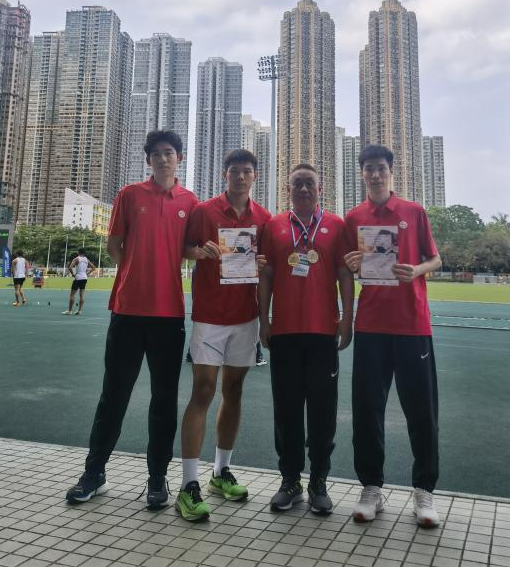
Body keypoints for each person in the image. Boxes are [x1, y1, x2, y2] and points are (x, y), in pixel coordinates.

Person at [65, 129, 198, 510]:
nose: (163, 158)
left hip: (168, 315)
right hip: (127, 311)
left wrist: (204, 252)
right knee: (114, 395)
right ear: (148, 160)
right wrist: (136, 272)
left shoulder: (190, 202)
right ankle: (94, 473)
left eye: (169, 152)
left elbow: (189, 248)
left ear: (179, 158)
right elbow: (113, 245)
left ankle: (157, 479)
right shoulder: (129, 194)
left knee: (164, 400)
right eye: (156, 153)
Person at [343, 144, 442, 527]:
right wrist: (354, 265)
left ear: (391, 171)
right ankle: (371, 488)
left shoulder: (414, 212)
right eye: (368, 168)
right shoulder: (354, 217)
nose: (375, 174)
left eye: (381, 168)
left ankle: (424, 492)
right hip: (371, 326)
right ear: (361, 173)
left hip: (412, 325)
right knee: (367, 410)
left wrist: (416, 271)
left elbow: (435, 258)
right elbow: (351, 269)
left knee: (422, 411)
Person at [178, 149, 271, 522]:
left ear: (255, 176)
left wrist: (262, 266)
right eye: (235, 171)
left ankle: (220, 471)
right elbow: (184, 249)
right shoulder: (204, 211)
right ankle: (188, 484)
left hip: (245, 318)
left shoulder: (263, 218)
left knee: (234, 391)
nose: (241, 177)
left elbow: (267, 269)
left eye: (247, 171)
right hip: (209, 317)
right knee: (203, 390)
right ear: (225, 174)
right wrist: (199, 252)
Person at [259, 164, 354, 515]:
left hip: (323, 332)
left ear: (320, 188)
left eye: (309, 183)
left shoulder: (337, 226)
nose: (303, 189)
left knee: (322, 411)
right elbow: (266, 274)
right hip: (284, 332)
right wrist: (263, 320)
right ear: (288, 189)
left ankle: (318, 481)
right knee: (286, 410)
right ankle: (290, 481)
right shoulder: (273, 226)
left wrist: (347, 319)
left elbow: (344, 274)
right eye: (297, 183)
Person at [62, 249, 97, 315]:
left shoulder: (76, 259)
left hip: (78, 278)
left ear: (78, 252)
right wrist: (86, 274)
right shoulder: (86, 259)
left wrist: (73, 274)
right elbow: (93, 268)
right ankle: (79, 310)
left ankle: (70, 311)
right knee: (81, 295)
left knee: (72, 295)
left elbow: (70, 267)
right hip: (84, 278)